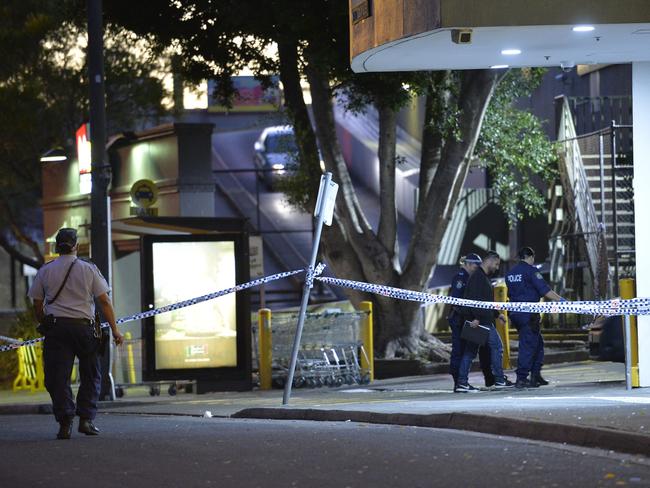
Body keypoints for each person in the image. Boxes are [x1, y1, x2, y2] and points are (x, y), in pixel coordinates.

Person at [28, 228, 124, 440]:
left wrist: (44, 322)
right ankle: (86, 420)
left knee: (57, 377)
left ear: (56, 247)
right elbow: (104, 301)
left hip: (56, 330)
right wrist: (115, 330)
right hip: (84, 329)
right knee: (90, 374)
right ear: (76, 246)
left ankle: (65, 421)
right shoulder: (88, 269)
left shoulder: (46, 270)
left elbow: (36, 303)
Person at [506, 247, 565, 389]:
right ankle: (522, 378)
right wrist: (563, 301)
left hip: (515, 313)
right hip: (528, 315)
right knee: (528, 345)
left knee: (537, 343)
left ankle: (535, 375)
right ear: (530, 257)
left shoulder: (510, 273)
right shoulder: (531, 271)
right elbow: (545, 291)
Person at [455, 251, 513, 393]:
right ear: (489, 261)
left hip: (481, 319)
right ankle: (499, 380)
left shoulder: (482, 277)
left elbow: (486, 301)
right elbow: (474, 299)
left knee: (470, 351)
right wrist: (476, 318)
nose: (497, 267)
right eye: (496, 263)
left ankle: (462, 383)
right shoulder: (478, 278)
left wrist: (497, 314)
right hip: (480, 320)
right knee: (497, 347)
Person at [447, 253, 495, 389]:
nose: (478, 267)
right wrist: (470, 317)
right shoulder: (461, 278)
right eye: (475, 265)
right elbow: (457, 301)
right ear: (467, 264)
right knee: (461, 350)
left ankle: (484, 378)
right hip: (461, 320)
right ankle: (459, 381)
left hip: (471, 319)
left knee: (475, 349)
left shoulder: (474, 277)